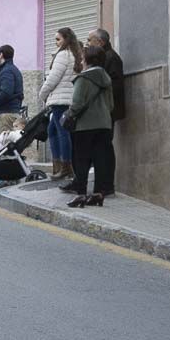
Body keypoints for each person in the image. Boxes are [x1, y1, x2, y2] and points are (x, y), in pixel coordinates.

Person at [64, 46, 114, 207]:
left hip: (85, 125)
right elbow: (111, 105)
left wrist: (69, 114)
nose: (80, 60)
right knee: (101, 159)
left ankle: (81, 194)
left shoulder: (83, 78)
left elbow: (77, 104)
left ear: (87, 60)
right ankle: (99, 193)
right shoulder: (106, 78)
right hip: (104, 124)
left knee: (82, 159)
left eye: (82, 57)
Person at [39, 28, 82, 181]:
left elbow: (52, 79)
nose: (55, 43)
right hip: (67, 98)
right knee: (53, 131)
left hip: (60, 100)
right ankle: (59, 166)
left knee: (61, 132)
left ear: (66, 39)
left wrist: (42, 95)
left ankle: (65, 167)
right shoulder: (75, 54)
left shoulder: (63, 55)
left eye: (58, 39)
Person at [88, 28, 123, 196]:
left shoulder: (111, 58)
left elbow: (113, 86)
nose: (88, 44)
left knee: (104, 149)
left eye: (90, 40)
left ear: (100, 42)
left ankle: (106, 186)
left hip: (107, 111)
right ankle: (102, 185)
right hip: (102, 111)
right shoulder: (104, 57)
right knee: (100, 149)